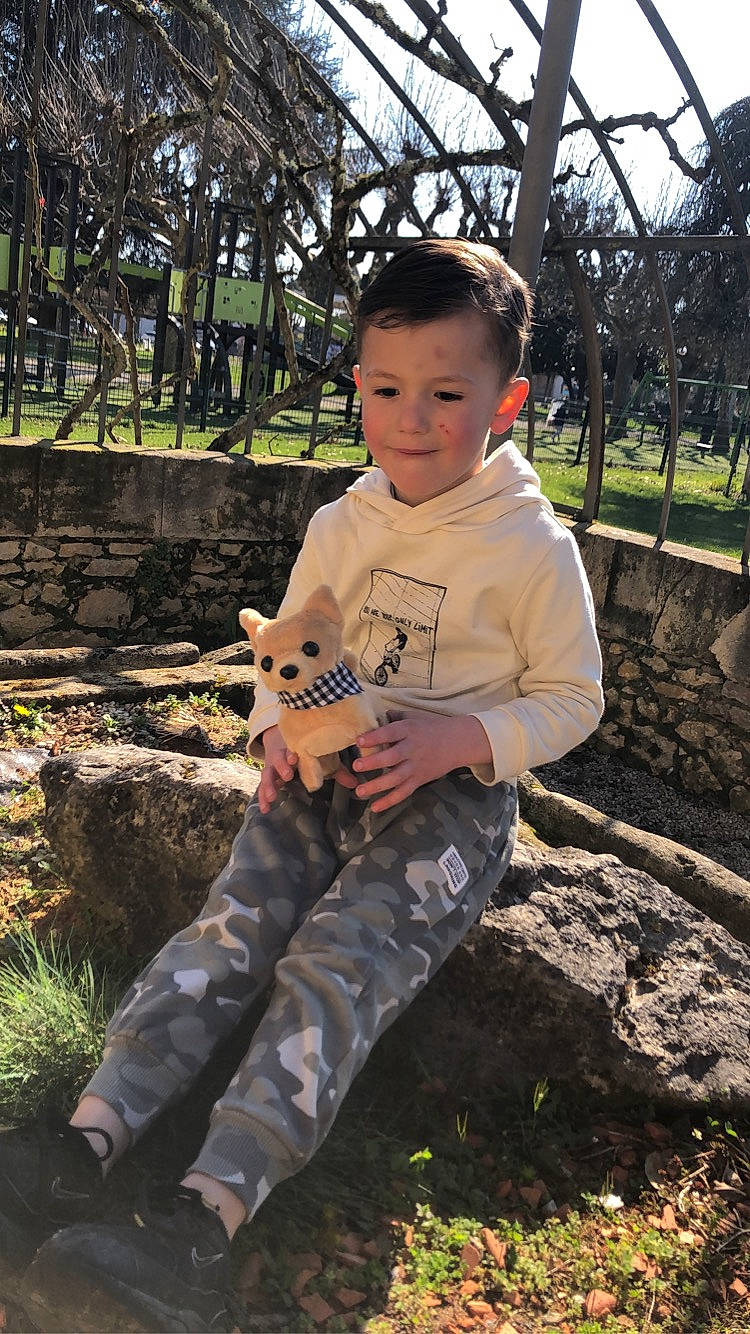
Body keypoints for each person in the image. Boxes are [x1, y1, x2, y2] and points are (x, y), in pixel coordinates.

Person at [1, 238, 604, 1333]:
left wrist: (459, 737)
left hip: (447, 803)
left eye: (445, 391)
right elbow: (282, 647)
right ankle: (82, 1137)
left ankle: (199, 1221)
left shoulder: (532, 547)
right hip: (322, 775)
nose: (409, 418)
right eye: (383, 388)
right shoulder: (343, 521)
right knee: (231, 925)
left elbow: (573, 698)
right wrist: (276, 729)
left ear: (506, 401)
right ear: (358, 386)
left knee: (337, 959)